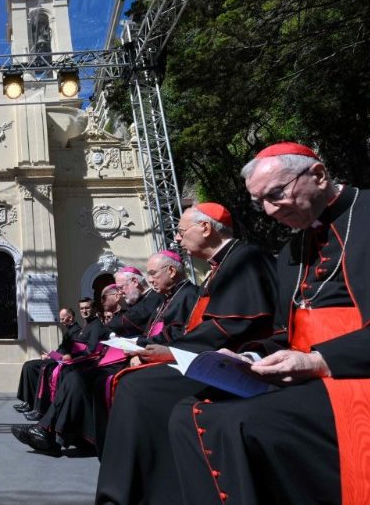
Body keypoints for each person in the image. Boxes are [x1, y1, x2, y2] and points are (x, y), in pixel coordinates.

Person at [168, 143, 370, 504]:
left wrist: (320, 360)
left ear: (318, 175)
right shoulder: (292, 252)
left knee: (233, 422)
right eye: (258, 202)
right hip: (320, 374)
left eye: (276, 194)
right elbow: (287, 334)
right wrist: (247, 357)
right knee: (189, 410)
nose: (268, 210)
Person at [95, 203, 277, 504]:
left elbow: (231, 326)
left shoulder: (245, 259)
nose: (177, 239)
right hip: (205, 352)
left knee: (136, 386)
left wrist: (172, 351)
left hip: (233, 361)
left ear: (206, 228)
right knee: (130, 381)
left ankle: (129, 493)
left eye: (181, 232)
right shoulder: (221, 267)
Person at [13, 257, 199, 457]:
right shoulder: (163, 298)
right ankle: (50, 431)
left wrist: (140, 346)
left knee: (76, 376)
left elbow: (134, 325)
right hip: (132, 354)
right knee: (72, 375)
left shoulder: (165, 297)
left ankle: (53, 432)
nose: (151, 280)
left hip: (144, 358)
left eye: (153, 274)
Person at [23, 298, 101, 422]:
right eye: (82, 308)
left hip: (80, 362)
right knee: (35, 366)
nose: (84, 311)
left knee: (45, 368)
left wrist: (68, 356)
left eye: (87, 308)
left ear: (94, 309)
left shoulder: (94, 325)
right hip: (70, 359)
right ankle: (35, 405)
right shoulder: (87, 324)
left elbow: (90, 349)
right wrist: (51, 355)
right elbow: (65, 349)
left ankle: (41, 410)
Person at [13, 306, 81, 414]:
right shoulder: (70, 331)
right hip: (56, 359)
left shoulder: (77, 332)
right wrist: (50, 355)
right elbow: (61, 349)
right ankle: (28, 401)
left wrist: (53, 356)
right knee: (28, 365)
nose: (61, 321)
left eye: (63, 319)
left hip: (62, 362)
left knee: (32, 367)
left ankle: (34, 404)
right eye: (61, 319)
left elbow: (70, 354)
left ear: (71, 318)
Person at [111, 267, 162, 336]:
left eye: (121, 288)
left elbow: (124, 322)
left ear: (135, 282)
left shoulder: (154, 298)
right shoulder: (136, 300)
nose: (119, 292)